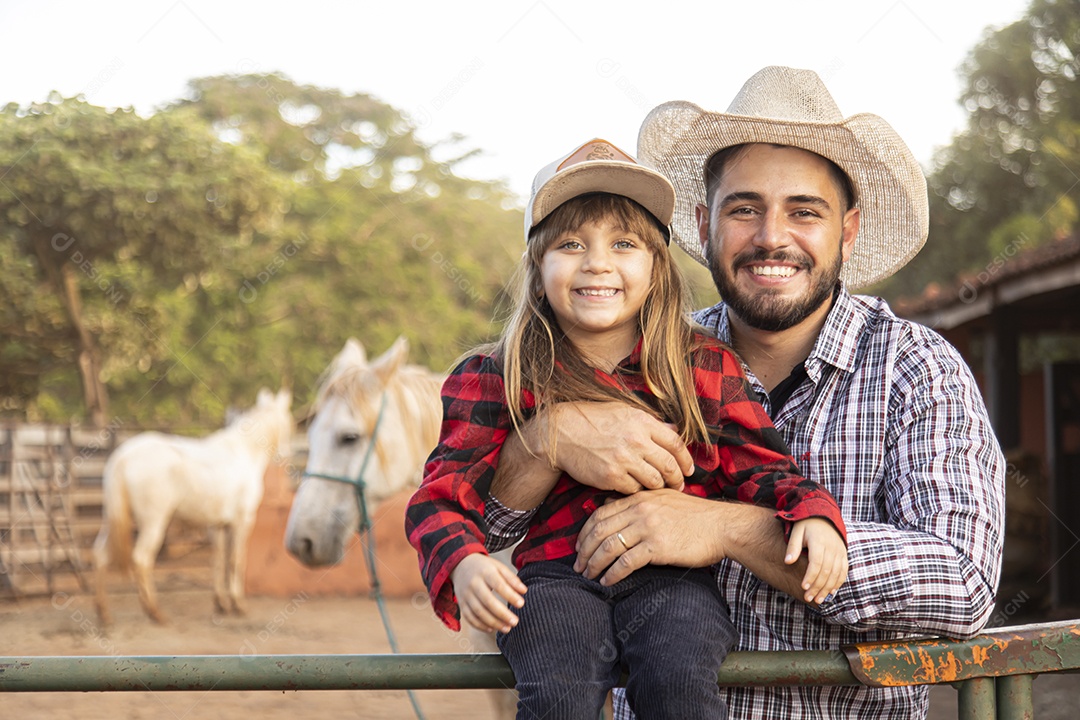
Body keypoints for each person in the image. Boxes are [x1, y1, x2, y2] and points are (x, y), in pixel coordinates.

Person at [482, 67, 1007, 719]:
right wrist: (546, 439)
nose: (771, 237)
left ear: (847, 230)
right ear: (704, 224)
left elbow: (962, 584)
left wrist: (728, 529)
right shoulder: (634, 356)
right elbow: (484, 529)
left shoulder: (917, 369)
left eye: (804, 212)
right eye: (744, 209)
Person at [406, 137, 849, 720]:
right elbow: (440, 496)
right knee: (558, 693)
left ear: (656, 270)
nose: (597, 262)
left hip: (673, 579)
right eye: (570, 244)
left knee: (680, 683)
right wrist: (464, 560)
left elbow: (763, 469)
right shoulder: (497, 374)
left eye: (623, 244)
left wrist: (813, 513)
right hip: (556, 578)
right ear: (538, 272)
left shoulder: (702, 367)